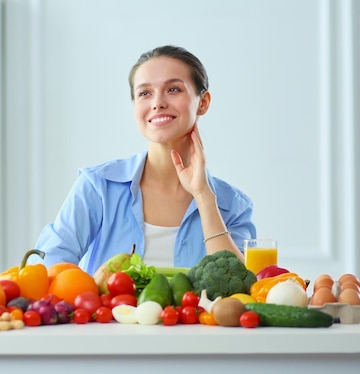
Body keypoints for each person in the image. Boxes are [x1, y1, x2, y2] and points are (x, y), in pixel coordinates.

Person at [33, 45, 256, 275]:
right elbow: (49, 265)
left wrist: (204, 196)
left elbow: (236, 292)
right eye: (145, 93)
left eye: (173, 89)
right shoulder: (98, 186)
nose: (157, 102)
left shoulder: (233, 206)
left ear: (203, 102)